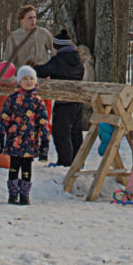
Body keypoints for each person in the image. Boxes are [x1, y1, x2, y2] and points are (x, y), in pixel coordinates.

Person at [0, 65, 50, 205]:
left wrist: (44, 141)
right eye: (25, 78)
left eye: (31, 78)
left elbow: (43, 122)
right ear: (19, 81)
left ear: (35, 81)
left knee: (27, 168)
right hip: (14, 140)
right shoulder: (12, 99)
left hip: (30, 141)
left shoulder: (38, 101)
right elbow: (4, 118)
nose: (28, 81)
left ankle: (24, 195)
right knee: (14, 166)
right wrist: (0, 136)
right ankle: (13, 194)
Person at [34, 29, 85, 167]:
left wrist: (31, 68)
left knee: (60, 132)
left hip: (63, 102)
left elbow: (44, 70)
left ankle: (65, 162)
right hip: (78, 102)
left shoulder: (59, 60)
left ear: (57, 47)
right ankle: (78, 161)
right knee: (76, 132)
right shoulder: (78, 59)